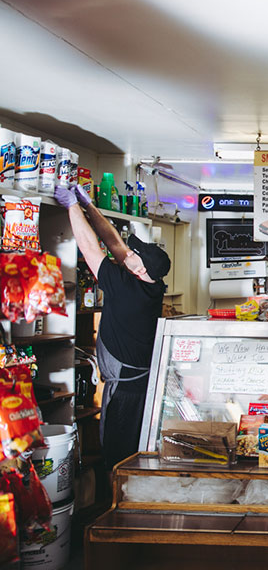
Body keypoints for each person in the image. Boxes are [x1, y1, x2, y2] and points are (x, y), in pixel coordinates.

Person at [54, 184, 170, 469]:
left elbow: (90, 248)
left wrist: (71, 206)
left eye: (136, 253)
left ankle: (115, 508)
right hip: (141, 382)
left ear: (140, 269)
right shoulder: (150, 285)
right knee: (133, 451)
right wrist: (89, 207)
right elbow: (115, 243)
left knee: (118, 456)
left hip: (125, 389)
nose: (129, 251)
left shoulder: (125, 289)